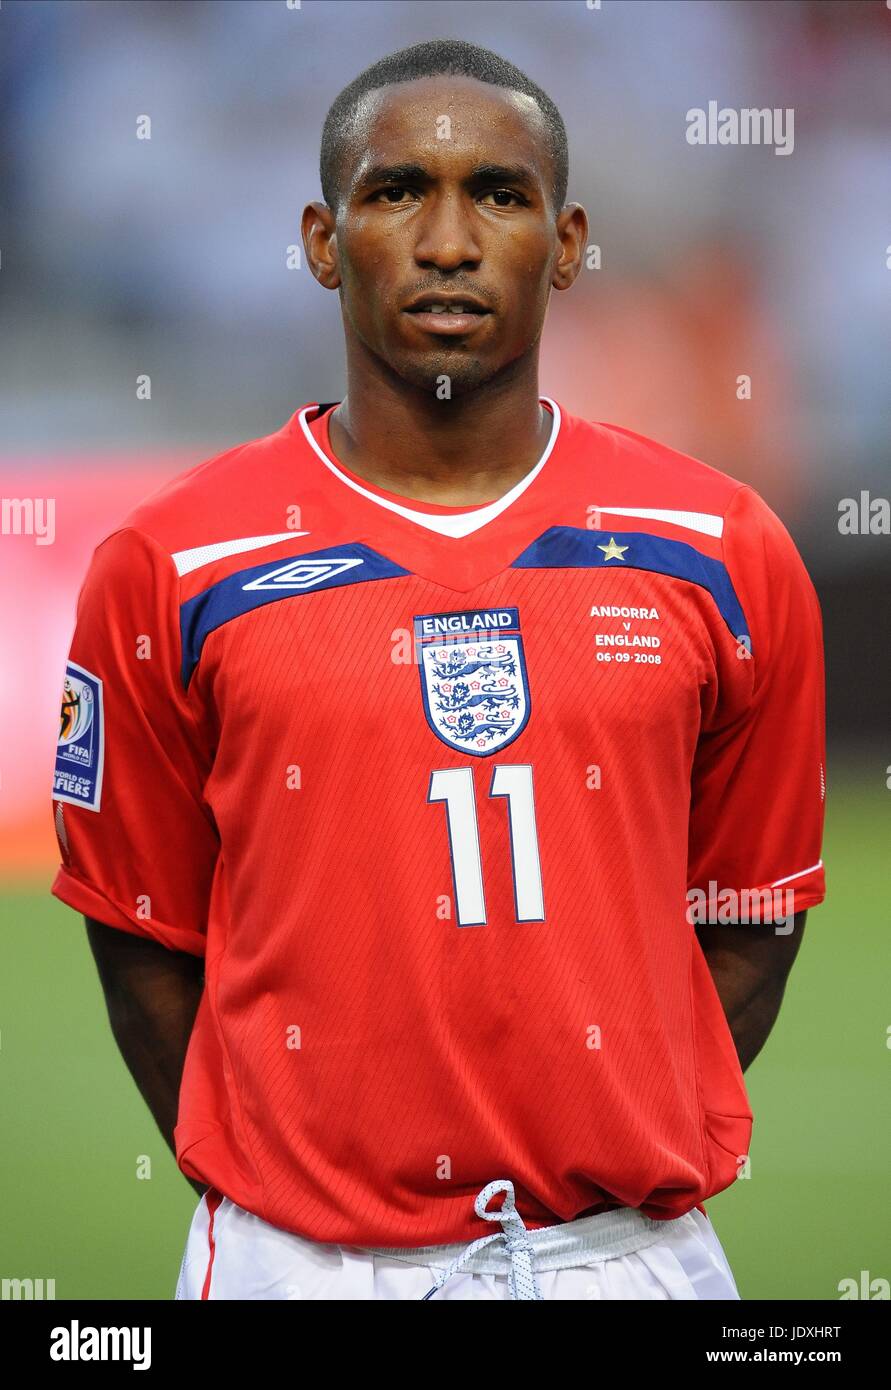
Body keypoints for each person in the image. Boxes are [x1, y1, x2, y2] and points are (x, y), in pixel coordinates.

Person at [50, 39, 827, 1301]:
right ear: (320, 239)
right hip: (289, 1264)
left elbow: (752, 915)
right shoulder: (171, 563)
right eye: (399, 190)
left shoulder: (720, 550)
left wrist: (599, 1162)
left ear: (569, 245)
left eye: (502, 195)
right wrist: (307, 1198)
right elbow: (143, 941)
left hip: (623, 1261)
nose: (450, 240)